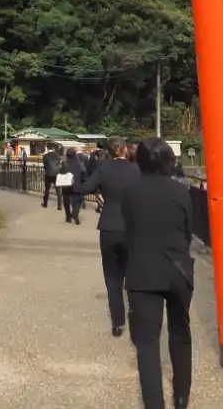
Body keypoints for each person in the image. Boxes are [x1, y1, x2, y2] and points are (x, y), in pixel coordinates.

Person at [122, 137, 194, 409]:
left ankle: (154, 404)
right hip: (177, 269)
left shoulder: (131, 191)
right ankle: (181, 396)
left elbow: (131, 228)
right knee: (180, 332)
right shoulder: (181, 191)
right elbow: (187, 232)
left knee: (148, 343)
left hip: (142, 271)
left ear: (139, 160)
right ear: (167, 160)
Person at [73, 135, 139, 337]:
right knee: (134, 274)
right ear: (125, 150)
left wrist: (72, 180)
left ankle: (118, 322)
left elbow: (84, 188)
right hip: (131, 226)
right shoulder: (136, 170)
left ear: (108, 152)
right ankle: (135, 312)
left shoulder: (103, 169)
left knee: (112, 276)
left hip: (109, 225)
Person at [59, 147, 85, 225]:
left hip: (66, 184)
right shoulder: (79, 163)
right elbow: (83, 172)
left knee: (66, 201)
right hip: (76, 185)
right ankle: (75, 214)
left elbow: (61, 172)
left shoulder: (64, 163)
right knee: (76, 201)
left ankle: (68, 217)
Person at [41, 142, 62, 210]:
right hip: (56, 174)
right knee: (58, 190)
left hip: (49, 174)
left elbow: (45, 166)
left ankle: (45, 203)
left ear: (47, 148)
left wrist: (47, 171)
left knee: (47, 189)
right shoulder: (57, 156)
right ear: (53, 148)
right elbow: (58, 164)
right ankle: (59, 205)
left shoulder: (45, 156)